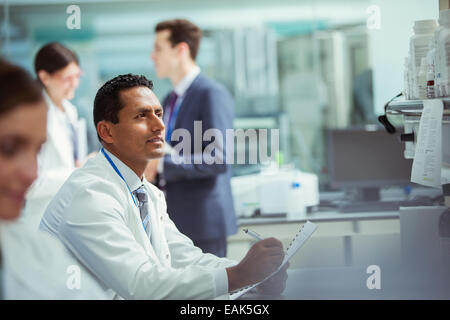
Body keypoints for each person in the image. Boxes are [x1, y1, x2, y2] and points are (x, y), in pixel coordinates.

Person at [39, 73, 288, 299]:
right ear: (107, 132)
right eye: (141, 115)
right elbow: (142, 285)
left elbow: (184, 259)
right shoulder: (90, 195)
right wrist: (240, 276)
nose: (158, 126)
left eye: (158, 114)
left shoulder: (147, 192)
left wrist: (256, 277)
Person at [0, 59, 108, 299]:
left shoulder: (39, 251)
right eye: (8, 149)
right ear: (45, 77)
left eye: (38, 150)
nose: (31, 173)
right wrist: (75, 170)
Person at [148, 19, 236, 257]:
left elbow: (218, 158)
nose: (152, 56)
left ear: (181, 50)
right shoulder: (169, 100)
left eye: (158, 48)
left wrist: (161, 165)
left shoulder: (211, 94)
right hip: (176, 223)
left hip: (202, 224)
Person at [21, 42, 86, 228]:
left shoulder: (69, 111)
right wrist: (77, 173)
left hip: (70, 217)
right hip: (42, 220)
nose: (74, 83)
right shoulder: (32, 115)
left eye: (77, 76)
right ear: (44, 77)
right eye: (67, 78)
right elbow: (31, 183)